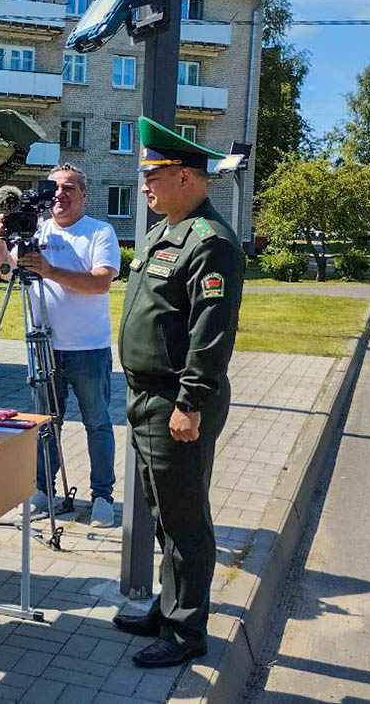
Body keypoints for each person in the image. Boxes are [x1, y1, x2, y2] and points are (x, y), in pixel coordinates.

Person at [112, 117, 243, 668]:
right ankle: (167, 608)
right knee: (163, 512)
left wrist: (190, 402)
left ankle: (187, 630)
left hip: (176, 402)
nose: (145, 184)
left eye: (153, 175)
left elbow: (210, 334)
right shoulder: (163, 233)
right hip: (145, 398)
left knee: (185, 519)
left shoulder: (210, 242)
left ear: (185, 176)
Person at [0, 164, 121, 528]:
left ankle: (102, 496)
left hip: (88, 348)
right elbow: (6, 271)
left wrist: (49, 270)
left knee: (97, 423)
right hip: (42, 345)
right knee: (46, 423)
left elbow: (100, 283)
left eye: (68, 188)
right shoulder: (36, 229)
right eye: (54, 188)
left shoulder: (99, 231)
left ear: (83, 194)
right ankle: (43, 491)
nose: (59, 194)